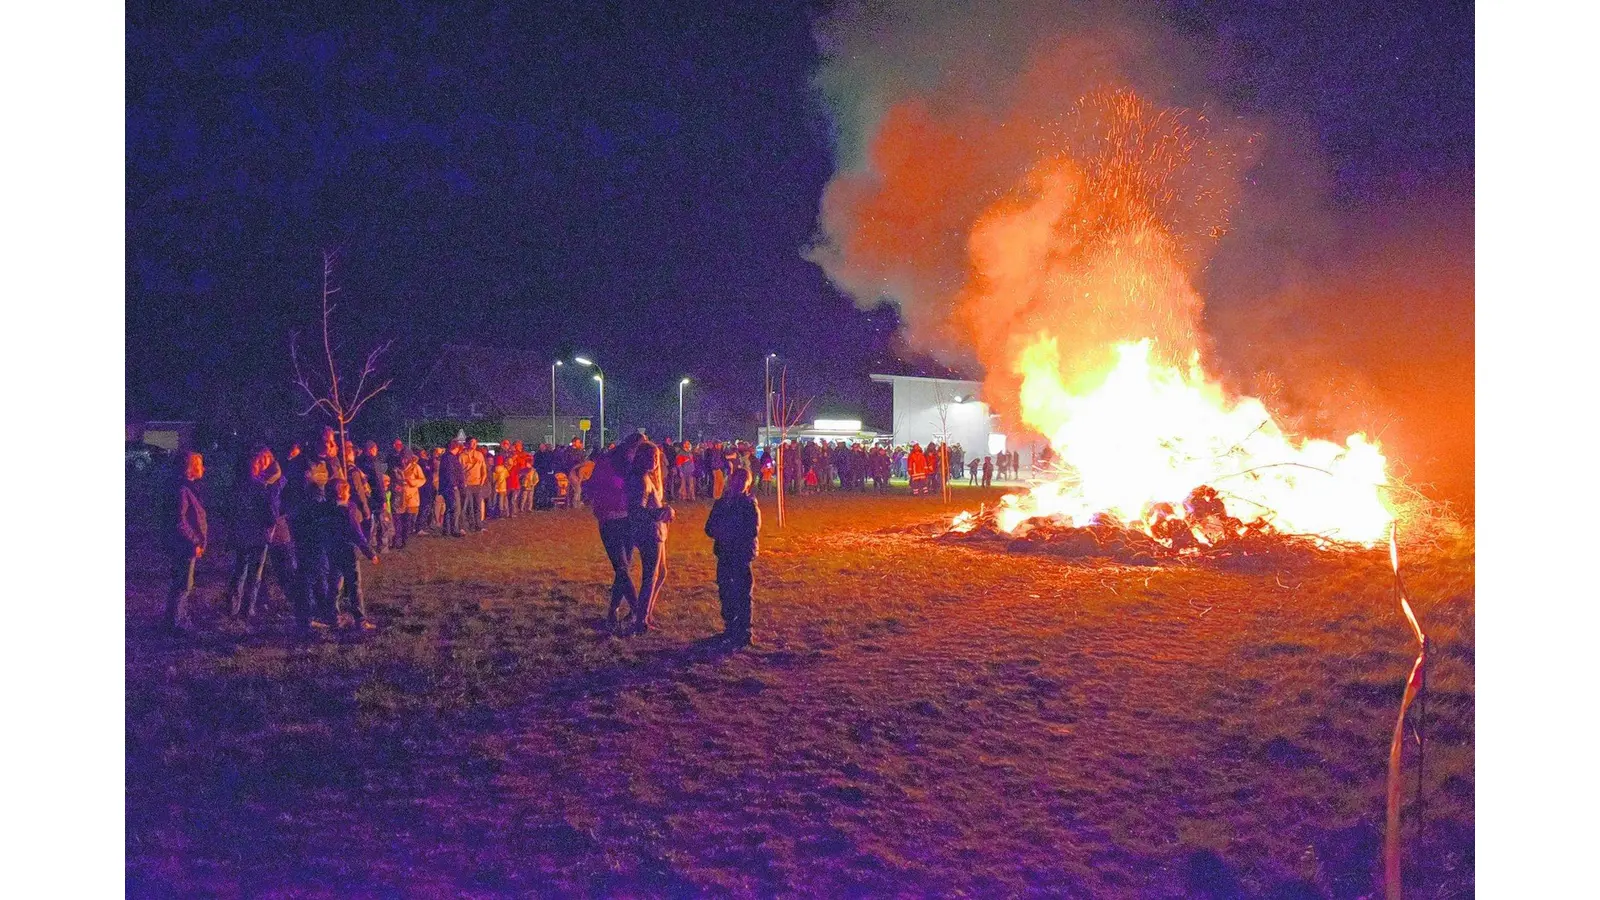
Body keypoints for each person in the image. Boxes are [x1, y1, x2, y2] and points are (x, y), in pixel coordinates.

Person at [227, 445, 290, 620]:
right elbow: (268, 508)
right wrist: (271, 522)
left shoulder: (247, 483)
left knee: (244, 571)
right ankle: (245, 608)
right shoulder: (260, 485)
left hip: (248, 532)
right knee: (251, 572)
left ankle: (238, 608)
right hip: (256, 532)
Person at [704, 467, 760, 646]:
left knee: (743, 591)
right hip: (725, 553)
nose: (738, 485)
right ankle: (730, 625)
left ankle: (744, 629)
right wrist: (720, 532)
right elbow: (709, 527)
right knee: (725, 590)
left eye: (743, 482)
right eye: (736, 481)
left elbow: (752, 530)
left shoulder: (749, 504)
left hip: (741, 554)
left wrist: (729, 534)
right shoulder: (721, 504)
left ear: (747, 484)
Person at [586, 437, 637, 630]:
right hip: (610, 520)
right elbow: (593, 487)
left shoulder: (632, 466)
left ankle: (613, 611)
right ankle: (638, 611)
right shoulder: (606, 465)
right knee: (622, 568)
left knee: (623, 570)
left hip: (628, 520)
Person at [627, 438, 673, 634]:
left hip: (655, 530)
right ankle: (641, 620)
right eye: (651, 457)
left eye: (656, 457)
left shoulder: (646, 477)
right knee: (650, 576)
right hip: (649, 532)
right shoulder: (640, 480)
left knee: (660, 573)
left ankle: (645, 613)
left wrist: (663, 509)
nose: (655, 461)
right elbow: (637, 510)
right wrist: (660, 512)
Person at [326, 479, 379, 630]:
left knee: (335, 585)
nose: (349, 494)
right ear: (342, 493)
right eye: (348, 491)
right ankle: (360, 621)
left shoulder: (325, 509)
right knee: (354, 587)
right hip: (348, 552)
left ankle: (333, 617)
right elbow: (356, 533)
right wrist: (370, 553)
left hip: (332, 551)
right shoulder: (348, 511)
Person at [164, 451, 208, 632]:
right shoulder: (183, 490)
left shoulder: (188, 488)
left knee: (181, 583)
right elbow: (180, 521)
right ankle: (177, 623)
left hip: (184, 544)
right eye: (199, 465)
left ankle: (175, 619)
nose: (203, 468)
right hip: (184, 545)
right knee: (183, 584)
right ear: (191, 468)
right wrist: (195, 541)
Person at [394, 451, 425, 549]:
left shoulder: (415, 467)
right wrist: (395, 486)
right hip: (399, 497)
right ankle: (397, 540)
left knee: (407, 520)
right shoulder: (396, 468)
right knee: (398, 519)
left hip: (411, 497)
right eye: (402, 458)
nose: (403, 460)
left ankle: (405, 540)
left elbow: (422, 479)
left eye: (405, 458)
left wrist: (412, 482)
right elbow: (391, 479)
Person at [438, 441, 466, 537]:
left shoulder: (447, 457)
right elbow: (450, 472)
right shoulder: (450, 458)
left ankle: (447, 530)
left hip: (448, 486)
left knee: (450, 508)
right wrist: (454, 484)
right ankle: (454, 529)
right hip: (451, 487)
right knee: (455, 508)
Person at [461, 437, 488, 532]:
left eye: (475, 443)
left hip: (477, 483)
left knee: (477, 505)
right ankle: (468, 525)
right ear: (467, 443)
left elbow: (483, 469)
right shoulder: (462, 456)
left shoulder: (479, 455)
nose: (474, 445)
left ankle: (478, 525)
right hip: (467, 484)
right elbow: (460, 470)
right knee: (468, 506)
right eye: (472, 443)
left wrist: (482, 481)